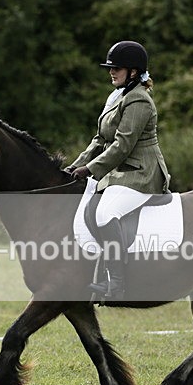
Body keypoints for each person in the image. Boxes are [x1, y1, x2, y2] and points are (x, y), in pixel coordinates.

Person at [66, 40, 171, 300]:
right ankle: (100, 275)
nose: (111, 72)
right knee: (89, 205)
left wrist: (91, 169)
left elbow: (122, 145)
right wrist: (76, 166)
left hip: (142, 174)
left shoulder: (139, 100)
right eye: (110, 68)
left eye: (118, 68)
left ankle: (117, 284)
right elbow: (100, 140)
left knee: (105, 212)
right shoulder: (117, 96)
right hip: (120, 174)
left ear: (133, 72)